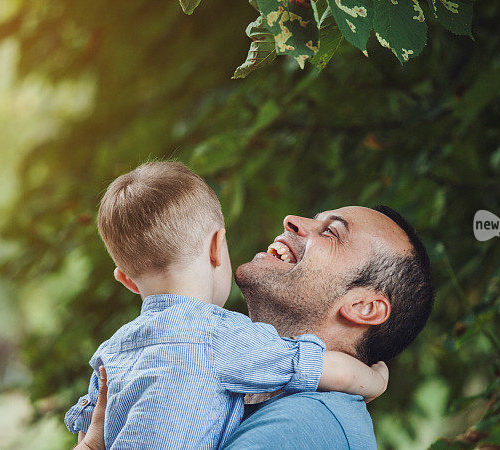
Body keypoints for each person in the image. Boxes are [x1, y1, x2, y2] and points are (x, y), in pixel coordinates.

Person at [65, 162, 389, 449]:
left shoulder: (112, 352)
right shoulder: (223, 337)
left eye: (330, 232)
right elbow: (317, 366)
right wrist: (374, 382)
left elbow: (92, 432)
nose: (292, 221)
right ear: (217, 247)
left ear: (127, 280)